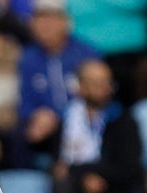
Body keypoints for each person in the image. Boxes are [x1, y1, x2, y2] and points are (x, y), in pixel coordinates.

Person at [53, 58, 145, 193]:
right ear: (80, 86)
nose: (103, 88)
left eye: (107, 82)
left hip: (114, 191)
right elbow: (58, 164)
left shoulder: (122, 120)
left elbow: (129, 166)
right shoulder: (66, 118)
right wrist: (82, 176)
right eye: (95, 83)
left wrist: (88, 173)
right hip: (75, 190)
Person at [14, 0, 100, 168]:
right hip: (42, 123)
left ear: (65, 22)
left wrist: (58, 115)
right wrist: (36, 115)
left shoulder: (86, 53)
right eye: (39, 19)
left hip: (80, 119)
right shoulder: (28, 58)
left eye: (51, 19)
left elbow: (96, 96)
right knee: (18, 135)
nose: (45, 26)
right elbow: (25, 100)